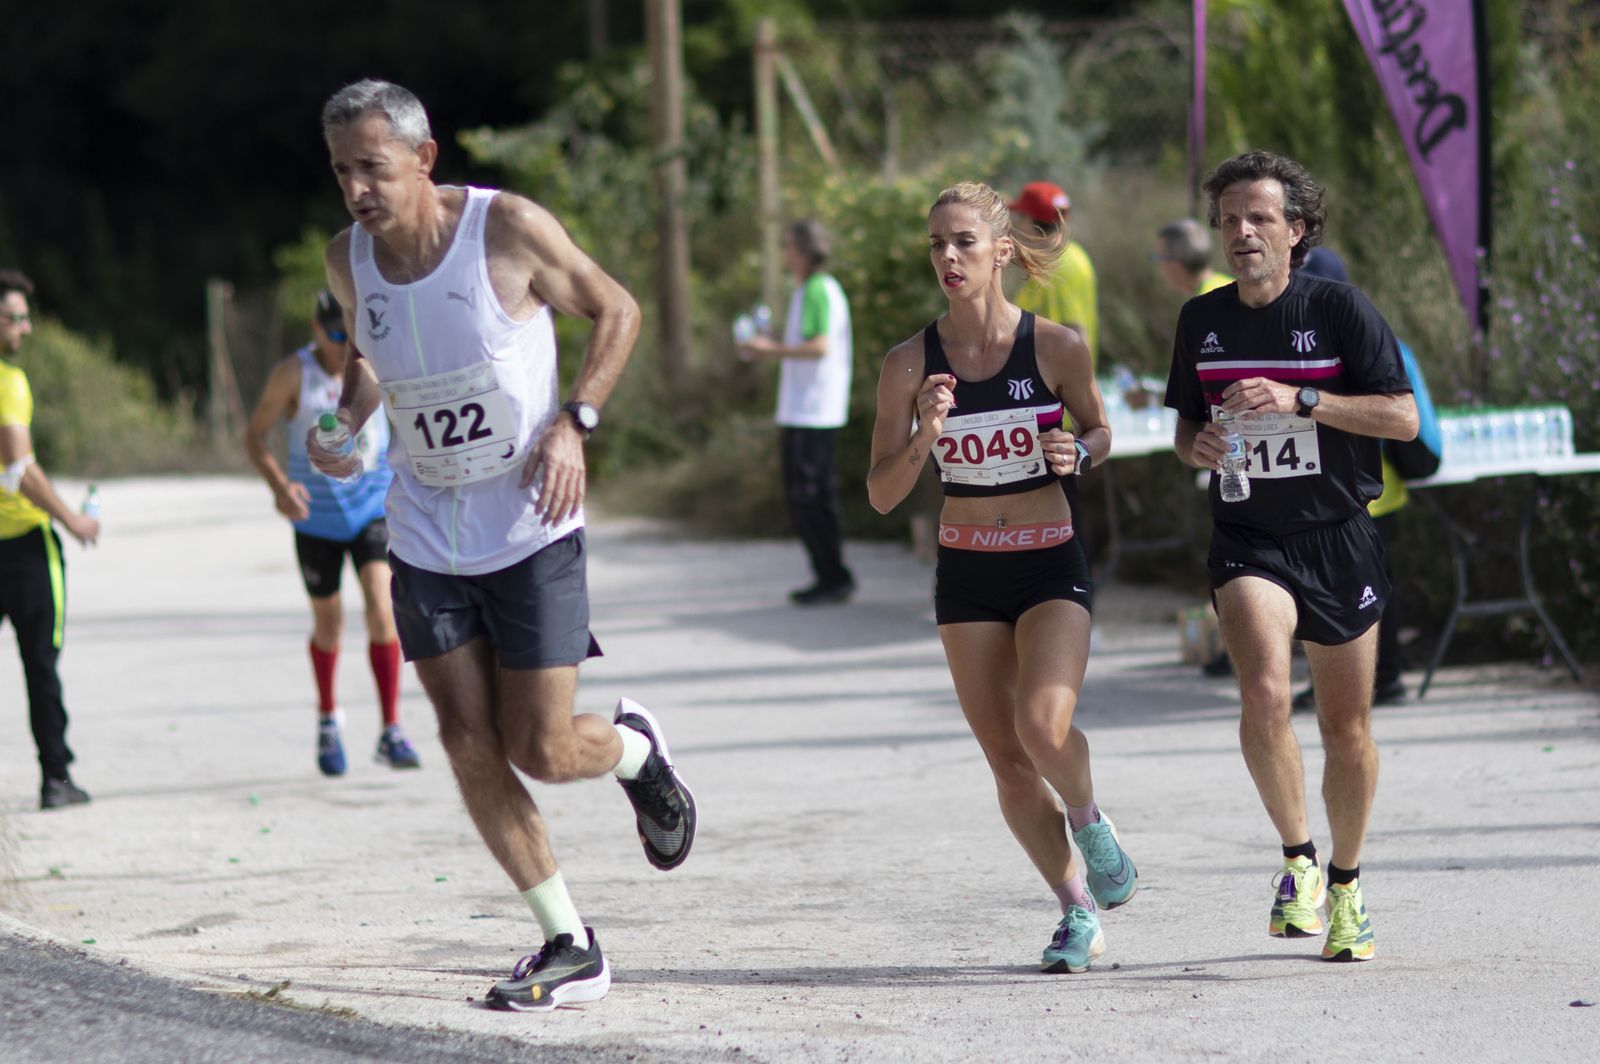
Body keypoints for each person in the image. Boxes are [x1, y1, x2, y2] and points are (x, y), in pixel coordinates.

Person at [310, 79, 695, 1012]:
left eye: (373, 166)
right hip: (424, 535)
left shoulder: (506, 231)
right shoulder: (345, 260)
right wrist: (344, 420)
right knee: (462, 736)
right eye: (340, 172)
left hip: (530, 527)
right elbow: (367, 361)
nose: (357, 189)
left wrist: (577, 421)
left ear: (424, 158)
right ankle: (569, 941)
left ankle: (636, 753)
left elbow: (618, 310)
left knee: (544, 748)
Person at [867, 182, 1137, 974]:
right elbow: (883, 495)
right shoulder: (907, 364)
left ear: (1002, 252)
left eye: (963, 243)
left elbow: (1101, 429)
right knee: (1009, 762)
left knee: (1043, 727)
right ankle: (1075, 910)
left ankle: (1088, 819)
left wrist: (1077, 453)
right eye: (936, 245)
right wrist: (926, 431)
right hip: (968, 574)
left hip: (1051, 558)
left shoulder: (1055, 347)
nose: (947, 258)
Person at [1163, 151, 1418, 963]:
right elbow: (1182, 433)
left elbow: (1403, 418)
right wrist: (1196, 444)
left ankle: (1346, 883)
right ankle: (1298, 861)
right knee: (1266, 692)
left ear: (1295, 231)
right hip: (1248, 534)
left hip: (1339, 536)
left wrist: (1303, 397)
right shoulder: (1200, 322)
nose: (1241, 232)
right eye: (1230, 219)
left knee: (1346, 729)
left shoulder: (1340, 310)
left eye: (1259, 219)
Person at [243, 289, 419, 774]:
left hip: (371, 512)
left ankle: (391, 729)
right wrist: (280, 487)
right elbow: (255, 436)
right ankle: (327, 720)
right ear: (317, 329)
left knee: (383, 610)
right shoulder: (294, 373)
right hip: (316, 519)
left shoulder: (376, 363)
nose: (346, 345)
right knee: (330, 625)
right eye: (337, 334)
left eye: (353, 333)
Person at [1291, 247, 1410, 710]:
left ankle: (1378, 678)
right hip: (1367, 491)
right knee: (1370, 589)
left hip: (1365, 492)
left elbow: (1402, 412)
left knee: (1363, 593)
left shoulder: (1354, 335)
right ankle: (1379, 677)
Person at [0, 269, 101, 809]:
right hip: (25, 547)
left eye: (24, 316)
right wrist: (72, 519)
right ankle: (55, 780)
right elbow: (19, 469)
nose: (25, 328)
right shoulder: (9, 382)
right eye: (13, 318)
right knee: (41, 665)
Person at [737, 220, 855, 605]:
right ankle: (829, 574)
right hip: (806, 409)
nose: (784, 255)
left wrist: (768, 351)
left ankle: (833, 576)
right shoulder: (810, 289)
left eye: (788, 246)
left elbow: (819, 347)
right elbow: (807, 344)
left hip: (812, 410)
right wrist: (771, 342)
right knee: (808, 496)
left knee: (809, 496)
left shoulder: (819, 289)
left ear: (804, 252)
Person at [1153, 219, 1237, 677]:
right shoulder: (1203, 298)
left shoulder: (1212, 300)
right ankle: (1228, 643)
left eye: (1157, 258)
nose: (1158, 269)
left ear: (1174, 262)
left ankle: (1231, 647)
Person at [1009, 181, 1099, 562]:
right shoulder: (1064, 258)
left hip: (1053, 410)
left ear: (1032, 221)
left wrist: (1079, 406)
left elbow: (1075, 335)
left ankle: (1075, 599)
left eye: (1019, 215)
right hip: (1042, 403)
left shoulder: (1062, 264)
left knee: (1063, 516)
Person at [1154, 218, 1234, 299]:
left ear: (1176, 264)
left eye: (1160, 257)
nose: (1159, 266)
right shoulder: (1227, 285)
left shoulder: (1207, 304)